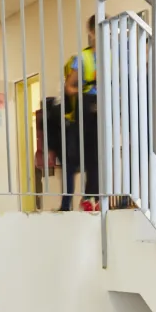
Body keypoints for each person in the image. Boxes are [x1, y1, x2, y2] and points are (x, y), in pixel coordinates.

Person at [60, 17, 99, 212]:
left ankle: (92, 197)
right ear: (91, 32)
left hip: (104, 109)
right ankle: (67, 203)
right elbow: (69, 86)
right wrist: (86, 88)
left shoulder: (112, 56)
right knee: (74, 158)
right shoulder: (82, 59)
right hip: (85, 108)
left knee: (97, 157)